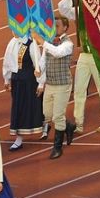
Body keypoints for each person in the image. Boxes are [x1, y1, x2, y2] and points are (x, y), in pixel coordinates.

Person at [58, 0, 100, 133]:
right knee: (79, 89)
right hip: (84, 56)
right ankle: (79, 123)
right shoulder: (79, 12)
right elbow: (62, 9)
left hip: (98, 56)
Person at [31, 16, 76, 159]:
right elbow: (44, 60)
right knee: (47, 114)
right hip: (50, 84)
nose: (54, 28)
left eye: (57, 26)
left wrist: (41, 40)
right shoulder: (49, 42)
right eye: (53, 25)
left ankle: (57, 147)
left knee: (57, 116)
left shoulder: (68, 44)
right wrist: (39, 72)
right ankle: (68, 125)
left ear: (65, 28)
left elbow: (57, 53)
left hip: (63, 84)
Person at [2, 34, 44, 151]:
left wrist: (41, 83)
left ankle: (44, 126)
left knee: (34, 107)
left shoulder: (31, 44)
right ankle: (19, 138)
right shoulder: (12, 42)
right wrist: (7, 79)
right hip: (17, 81)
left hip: (29, 82)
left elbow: (38, 65)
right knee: (18, 109)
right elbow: (7, 61)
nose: (13, 31)